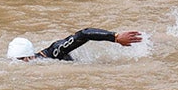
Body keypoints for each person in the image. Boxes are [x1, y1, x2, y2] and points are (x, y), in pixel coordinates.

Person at [7, 28, 142, 62]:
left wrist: (115, 37)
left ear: (30, 57)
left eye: (20, 60)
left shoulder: (55, 52)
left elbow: (84, 33)